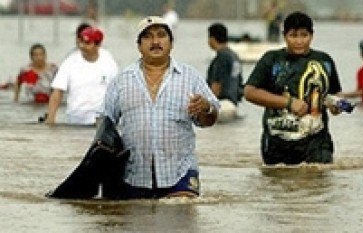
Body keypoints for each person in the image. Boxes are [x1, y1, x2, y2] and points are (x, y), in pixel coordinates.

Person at [99, 16, 219, 199]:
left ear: (171, 43)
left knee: (181, 213)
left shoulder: (190, 77)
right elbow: (105, 126)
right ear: (139, 45)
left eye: (161, 35)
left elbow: (210, 119)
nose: (155, 42)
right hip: (134, 176)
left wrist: (205, 108)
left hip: (180, 173)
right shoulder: (121, 81)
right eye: (147, 37)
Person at [244, 11, 343, 165]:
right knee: (277, 183)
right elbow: (249, 92)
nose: (299, 41)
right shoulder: (272, 59)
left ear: (312, 35)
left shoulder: (325, 61)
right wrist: (288, 103)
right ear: (284, 36)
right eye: (293, 35)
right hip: (277, 142)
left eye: (304, 35)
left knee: (318, 182)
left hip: (316, 142)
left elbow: (335, 92)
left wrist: (337, 105)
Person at [45, 26, 118, 125]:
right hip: (76, 120)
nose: (82, 46)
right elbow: (57, 91)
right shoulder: (70, 62)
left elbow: (116, 91)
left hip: (101, 121)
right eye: (81, 42)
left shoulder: (109, 61)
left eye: (87, 43)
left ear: (98, 45)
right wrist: (50, 119)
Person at [207, 23, 244, 122]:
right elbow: (240, 84)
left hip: (222, 105)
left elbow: (216, 85)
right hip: (233, 105)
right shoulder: (234, 56)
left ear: (212, 39)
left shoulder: (221, 57)